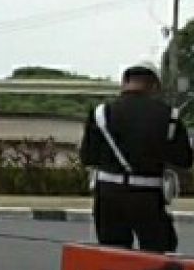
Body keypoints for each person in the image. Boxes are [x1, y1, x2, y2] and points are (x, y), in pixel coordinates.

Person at [80, 61, 192, 253]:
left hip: (109, 196)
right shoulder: (170, 116)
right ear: (154, 85)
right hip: (148, 196)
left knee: (113, 255)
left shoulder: (100, 113)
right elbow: (184, 159)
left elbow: (88, 157)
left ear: (124, 82)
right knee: (159, 256)